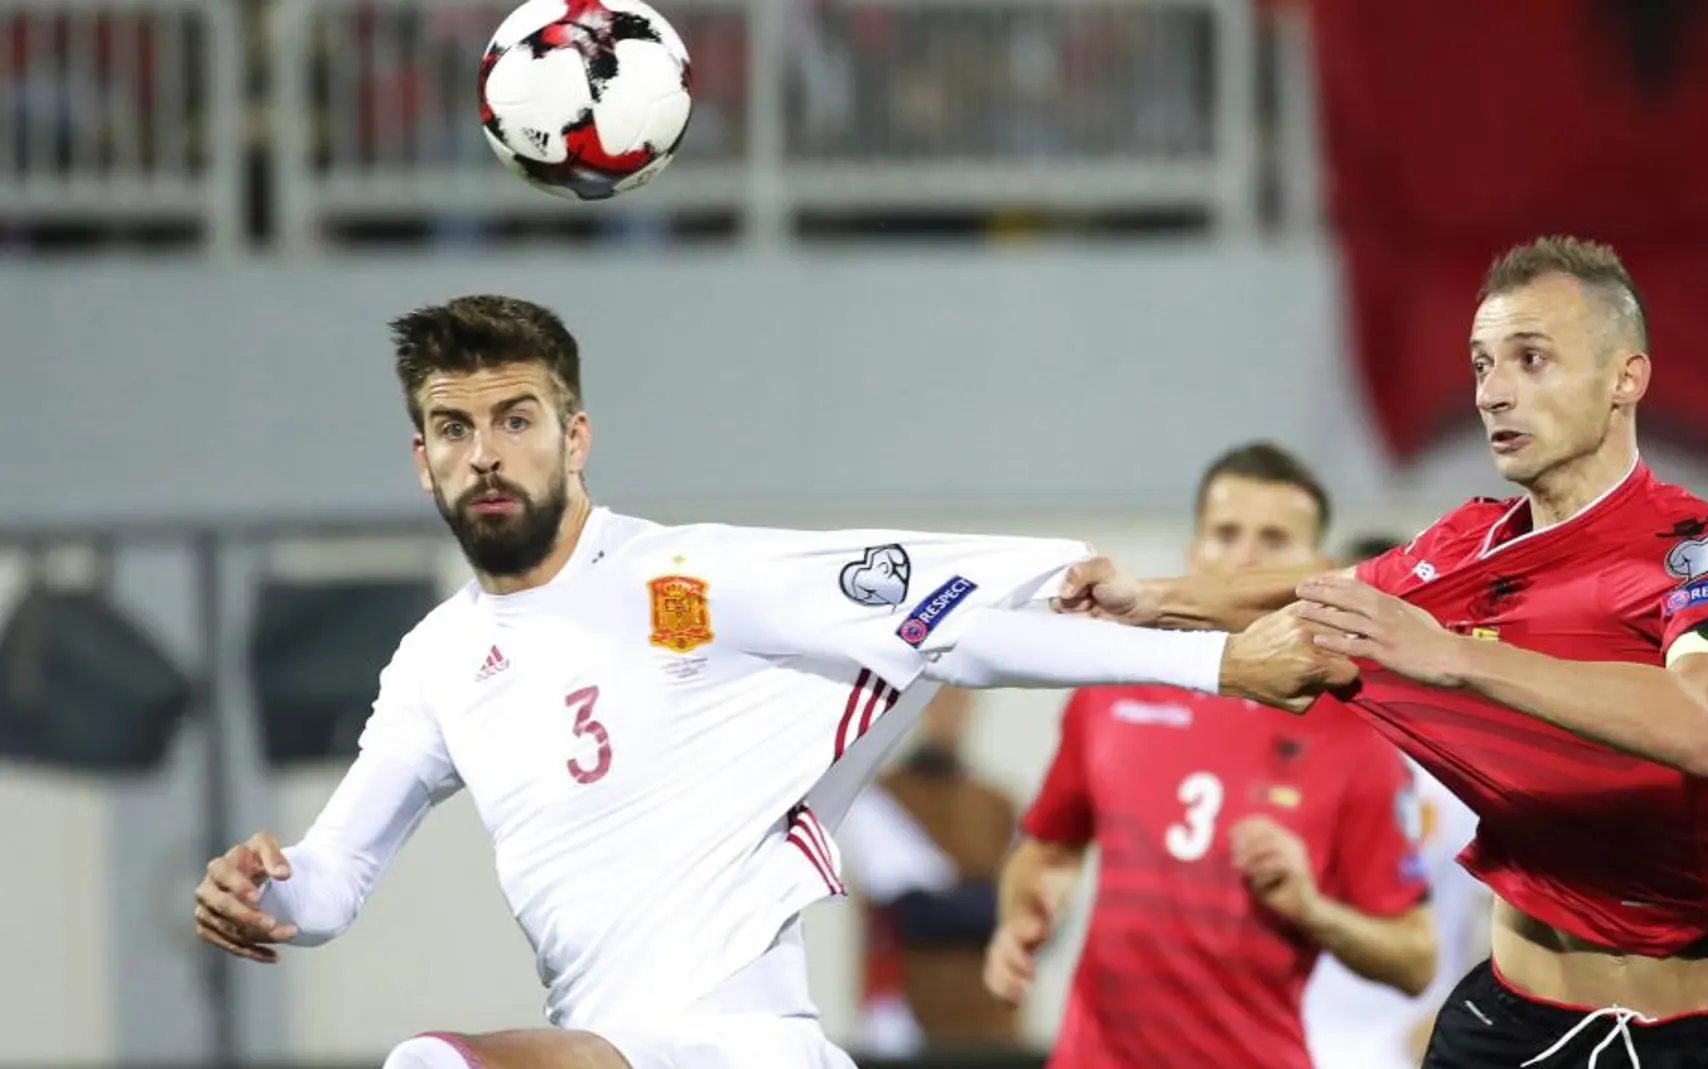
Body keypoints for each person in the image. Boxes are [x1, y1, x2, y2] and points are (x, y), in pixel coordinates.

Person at [189, 295, 1347, 1069]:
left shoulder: (692, 583)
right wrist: (267, 895)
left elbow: (954, 628)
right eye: (452, 426)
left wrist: (1217, 661)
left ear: (576, 435)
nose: (485, 451)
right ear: (421, 456)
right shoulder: (439, 660)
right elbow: (334, 880)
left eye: (515, 418)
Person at [1057, 237, 1708, 1067]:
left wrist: (1456, 656)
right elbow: (1321, 586)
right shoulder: (1468, 546)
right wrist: (1151, 598)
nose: (1493, 393)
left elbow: (1697, 722)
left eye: (1531, 359)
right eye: (1482, 365)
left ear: (1626, 378)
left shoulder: (1703, 551)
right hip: (1517, 1028)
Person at [984, 442, 1438, 1069]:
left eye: (1274, 541)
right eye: (1225, 534)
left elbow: (1416, 960)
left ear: (1318, 569)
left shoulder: (1357, 738)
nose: (1243, 558)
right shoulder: (1117, 682)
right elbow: (1049, 847)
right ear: (1193, 551)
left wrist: (1313, 910)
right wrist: (1022, 916)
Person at [1302, 534, 1492, 1069]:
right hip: (1278, 1042)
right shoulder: (1284, 744)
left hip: (1413, 1050)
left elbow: (1532, 918)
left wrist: (1459, 1022)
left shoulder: (1469, 768)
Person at [840, 688, 1020, 1055]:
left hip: (991, 1018)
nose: (947, 714)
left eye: (957, 702)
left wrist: (974, 906)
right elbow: (911, 914)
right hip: (908, 1018)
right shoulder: (883, 799)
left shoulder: (997, 804)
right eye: (936, 702)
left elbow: (1029, 915)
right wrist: (984, 904)